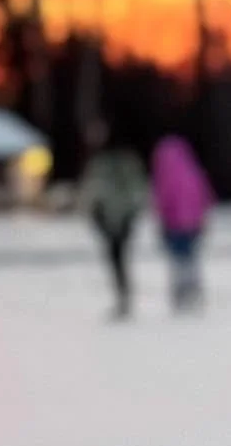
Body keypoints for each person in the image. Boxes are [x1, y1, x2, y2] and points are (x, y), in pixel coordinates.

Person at [77, 120, 148, 318]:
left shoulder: (110, 162)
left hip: (118, 217)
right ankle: (122, 297)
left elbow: (95, 191)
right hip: (112, 218)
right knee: (117, 259)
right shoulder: (109, 161)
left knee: (118, 258)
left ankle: (123, 298)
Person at [150, 134, 214, 312]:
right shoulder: (193, 171)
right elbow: (205, 196)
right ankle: (193, 289)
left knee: (178, 260)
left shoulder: (164, 176)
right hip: (193, 225)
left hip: (174, 226)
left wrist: (162, 218)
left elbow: (161, 201)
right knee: (191, 258)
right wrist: (201, 217)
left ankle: (182, 292)